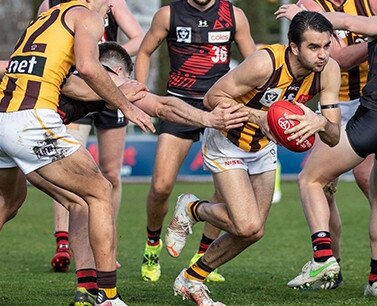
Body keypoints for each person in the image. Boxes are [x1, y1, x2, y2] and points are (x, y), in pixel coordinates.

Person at [164, 11, 342, 305]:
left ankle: (191, 278)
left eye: (326, 46)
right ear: (294, 47)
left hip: (262, 148)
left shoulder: (329, 70)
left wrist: (321, 123)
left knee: (253, 232)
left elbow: (334, 137)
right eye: (313, 47)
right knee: (246, 224)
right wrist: (260, 116)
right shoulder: (265, 63)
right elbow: (212, 99)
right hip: (227, 141)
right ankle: (193, 209)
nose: (322, 55)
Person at [276, 5, 377, 298]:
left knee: (312, 179)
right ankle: (371, 277)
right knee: (373, 192)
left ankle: (325, 258)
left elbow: (338, 53)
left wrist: (299, 18)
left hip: (371, 107)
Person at [0, 0, 155, 304]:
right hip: (32, 119)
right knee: (100, 191)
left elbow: (68, 79)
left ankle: (86, 287)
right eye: (109, 5)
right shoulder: (85, 16)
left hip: (3, 116)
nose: (110, 8)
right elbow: (87, 67)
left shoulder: (43, 19)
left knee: (10, 201)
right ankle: (109, 296)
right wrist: (126, 105)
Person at [135, 0, 256, 283]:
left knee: (225, 191)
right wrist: (140, 95)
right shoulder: (168, 14)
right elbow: (143, 52)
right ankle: (152, 245)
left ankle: (202, 255)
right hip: (179, 104)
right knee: (161, 185)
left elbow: (254, 63)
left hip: (220, 106)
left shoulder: (234, 15)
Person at [38, 0, 145, 273]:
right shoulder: (50, 4)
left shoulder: (112, 2)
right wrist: (80, 59)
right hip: (76, 87)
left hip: (108, 84)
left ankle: (105, 244)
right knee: (66, 163)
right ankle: (63, 241)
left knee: (111, 172)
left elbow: (138, 38)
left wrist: (103, 55)